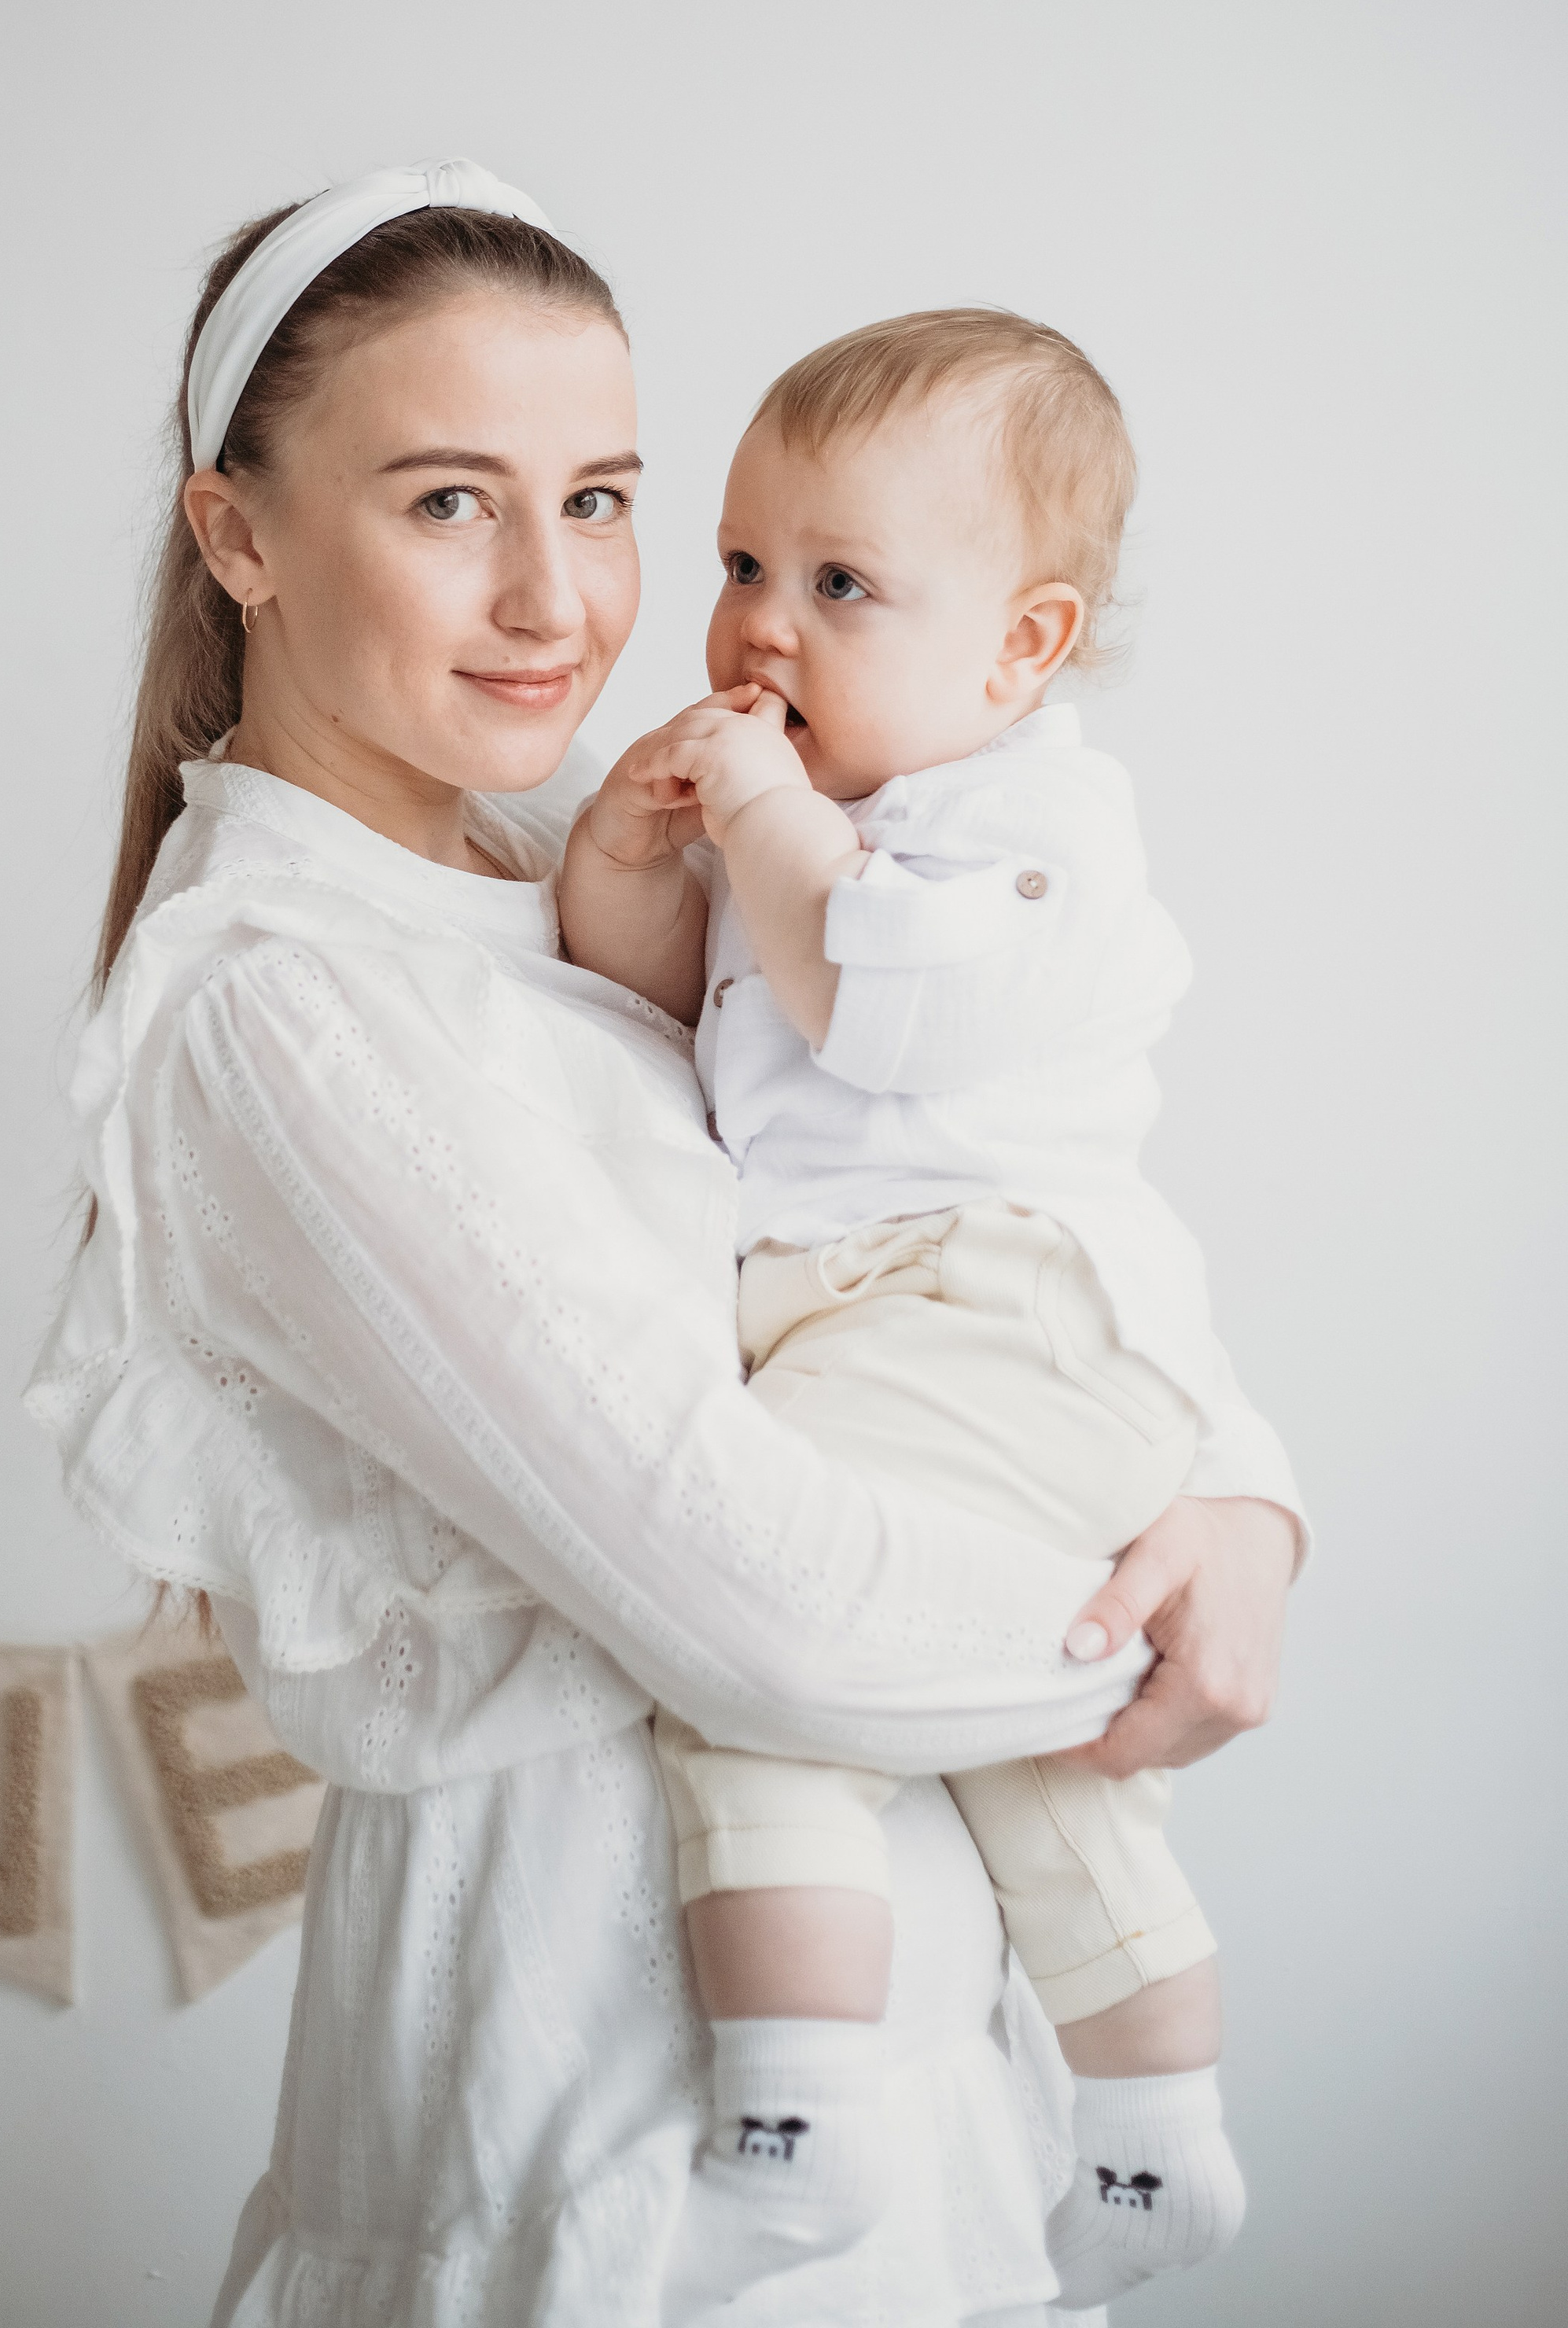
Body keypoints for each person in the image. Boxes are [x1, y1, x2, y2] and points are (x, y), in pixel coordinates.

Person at [25, 164, 1304, 2328]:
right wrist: (1146, 1621)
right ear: (237, 534)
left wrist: (1244, 1493)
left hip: (884, 2018)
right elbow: (754, 1605)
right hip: (601, 2097)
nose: (559, 597)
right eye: (448, 503)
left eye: (604, 498)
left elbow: (985, 1177)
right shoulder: (281, 1001)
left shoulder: (584, 863)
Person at [559, 308, 1305, 2314]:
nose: (757, 630)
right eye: (736, 565)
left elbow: (881, 1001)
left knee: (762, 1645)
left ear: (1021, 650)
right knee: (1020, 1745)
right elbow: (647, 1024)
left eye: (837, 586)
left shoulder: (1024, 823)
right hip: (892, 1323)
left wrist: (765, 829)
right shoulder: (807, 812)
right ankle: (1154, 2141)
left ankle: (786, 2128)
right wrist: (632, 860)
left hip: (991, 1308)